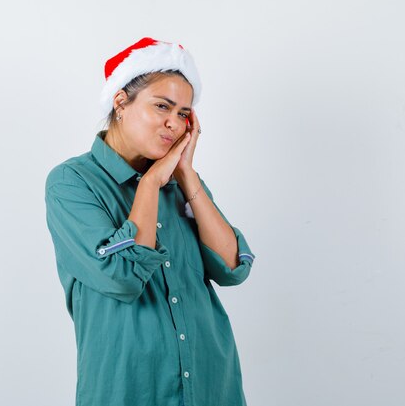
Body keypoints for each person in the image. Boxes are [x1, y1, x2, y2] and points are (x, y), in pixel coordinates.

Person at [45, 37, 256, 406]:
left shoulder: (184, 183)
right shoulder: (72, 183)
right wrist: (152, 183)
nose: (173, 124)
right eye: (162, 107)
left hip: (210, 384)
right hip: (129, 388)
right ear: (121, 103)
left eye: (184, 114)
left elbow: (232, 268)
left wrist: (186, 175)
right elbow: (121, 277)